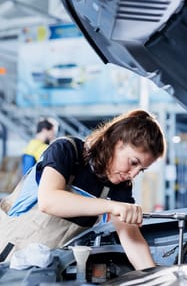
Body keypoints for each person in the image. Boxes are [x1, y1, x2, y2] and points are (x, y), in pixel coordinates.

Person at [6, 109, 166, 270]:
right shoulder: (66, 150)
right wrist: (112, 206)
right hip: (8, 256)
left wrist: (153, 277)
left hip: (46, 267)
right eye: (133, 162)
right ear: (116, 142)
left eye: (141, 170)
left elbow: (133, 242)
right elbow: (49, 201)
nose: (133, 174)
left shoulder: (119, 187)